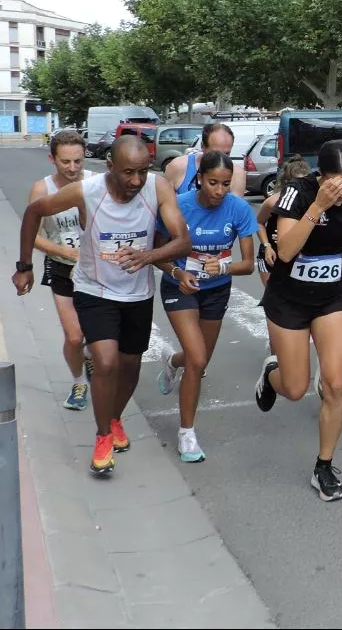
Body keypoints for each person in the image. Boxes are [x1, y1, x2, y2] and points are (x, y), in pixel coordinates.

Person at [13, 135, 191, 475]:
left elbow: (183, 241)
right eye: (128, 173)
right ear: (110, 167)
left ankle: (114, 417)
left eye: (142, 171)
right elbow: (34, 211)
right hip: (94, 291)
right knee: (106, 363)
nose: (136, 181)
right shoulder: (87, 190)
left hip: (138, 294)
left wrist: (148, 255)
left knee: (130, 366)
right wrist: (24, 266)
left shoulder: (158, 188)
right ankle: (102, 436)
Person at [254, 139, 342, 502]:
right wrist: (319, 205)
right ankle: (271, 374)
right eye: (334, 182)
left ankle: (324, 466)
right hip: (289, 300)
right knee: (294, 389)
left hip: (332, 297)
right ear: (320, 175)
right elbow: (286, 250)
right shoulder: (299, 192)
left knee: (335, 383)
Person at [152, 151, 258, 462]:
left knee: (199, 360)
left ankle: (173, 361)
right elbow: (157, 253)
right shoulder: (179, 206)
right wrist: (177, 272)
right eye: (213, 183)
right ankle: (187, 433)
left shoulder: (238, 209)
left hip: (215, 290)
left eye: (226, 184)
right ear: (199, 178)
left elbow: (249, 264)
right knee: (197, 359)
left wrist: (223, 268)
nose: (219, 191)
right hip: (179, 287)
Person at [27, 130, 95, 410]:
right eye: (65, 162)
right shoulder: (42, 189)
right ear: (52, 159)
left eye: (78, 161)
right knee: (74, 336)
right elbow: (31, 234)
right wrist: (63, 251)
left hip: (96, 270)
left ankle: (93, 361)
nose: (72, 168)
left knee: (99, 336)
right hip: (62, 268)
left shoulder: (96, 182)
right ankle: (79, 382)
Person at [256, 156, 313, 287]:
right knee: (272, 299)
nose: (301, 188)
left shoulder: (313, 203)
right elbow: (258, 223)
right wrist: (267, 246)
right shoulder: (273, 201)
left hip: (297, 258)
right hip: (271, 256)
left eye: (304, 183)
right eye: (297, 184)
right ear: (287, 182)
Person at [165, 123, 247, 197]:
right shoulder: (178, 166)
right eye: (215, 153)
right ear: (202, 147)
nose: (220, 159)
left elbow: (235, 210)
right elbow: (165, 204)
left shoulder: (237, 173)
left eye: (226, 154)